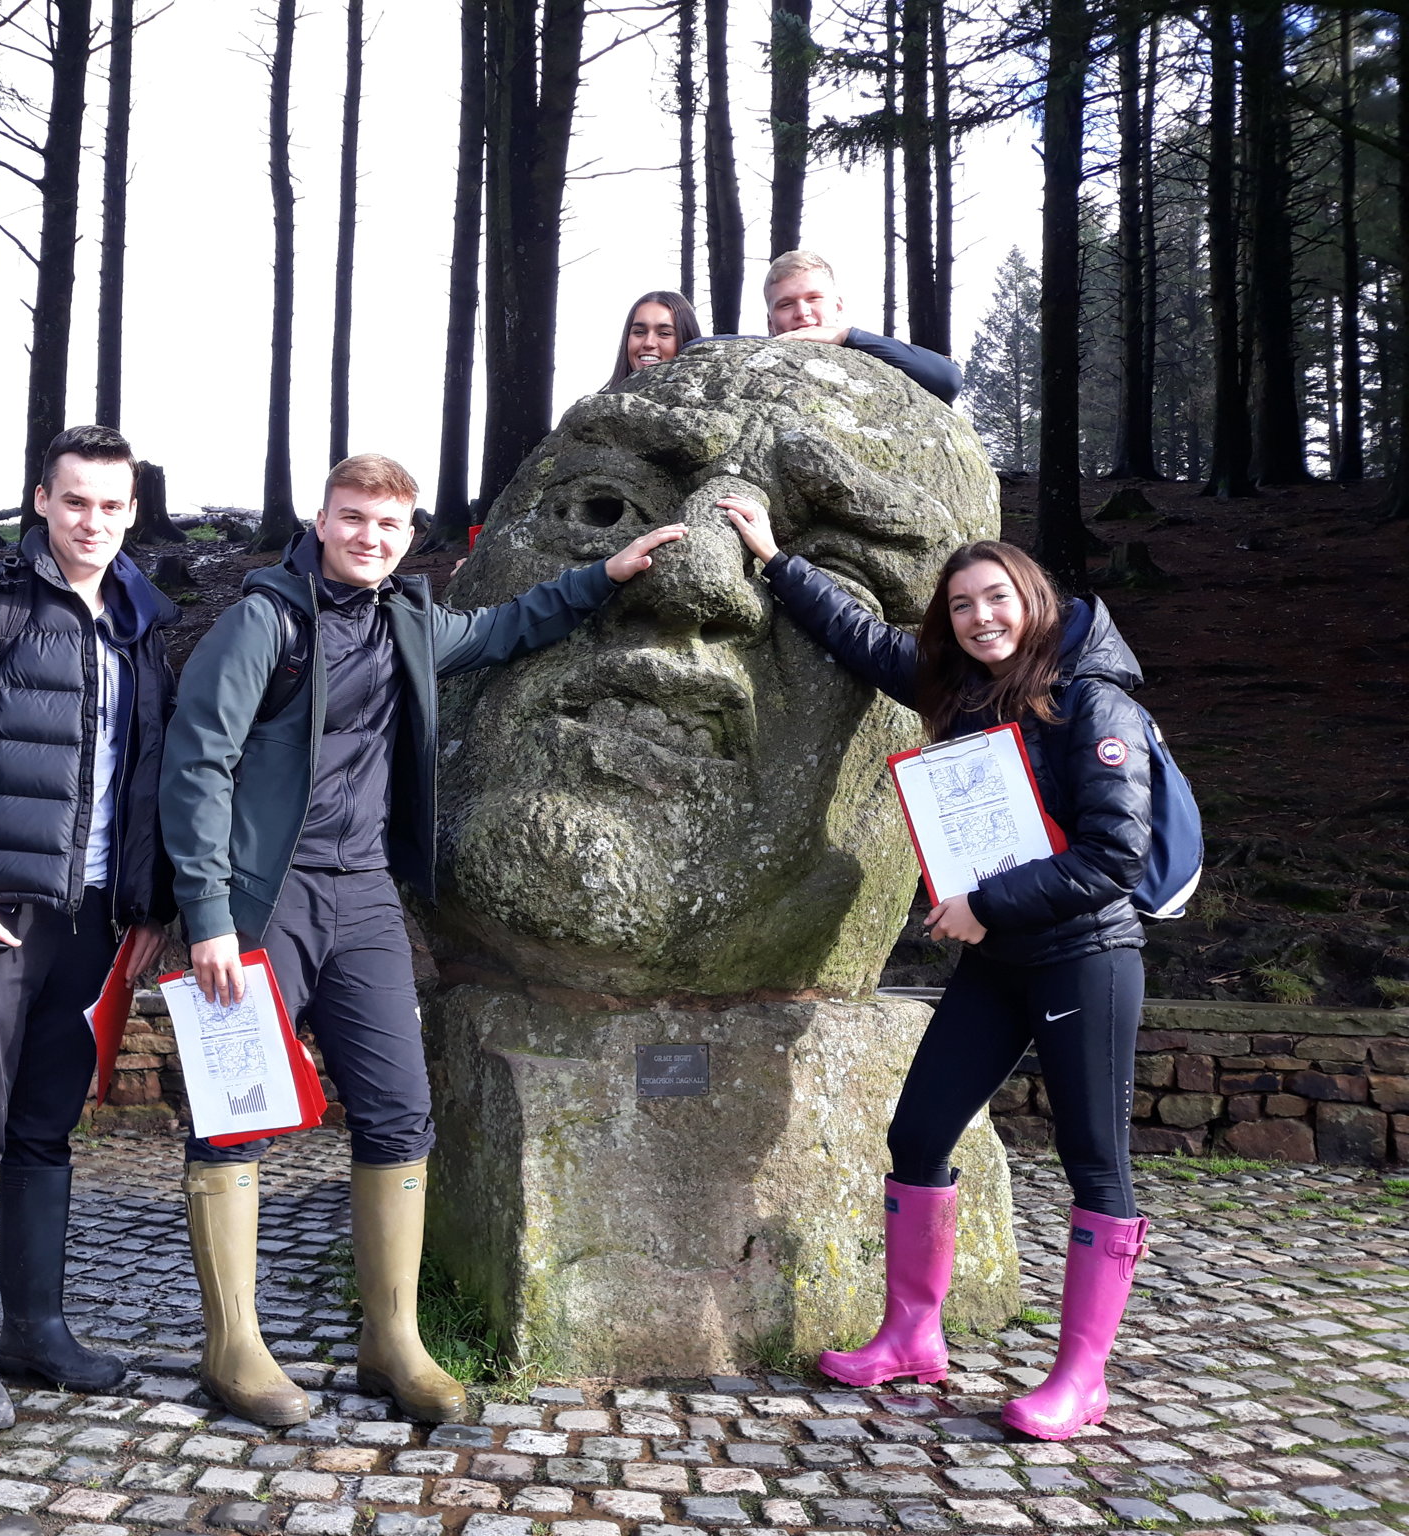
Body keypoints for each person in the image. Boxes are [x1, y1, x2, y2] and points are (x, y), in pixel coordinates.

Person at [161, 452, 684, 1427]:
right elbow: (197, 768)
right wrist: (208, 918)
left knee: (399, 1113)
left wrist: (602, 578)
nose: (368, 536)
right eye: (352, 518)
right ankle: (231, 1347)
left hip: (362, 899)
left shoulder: (404, 619)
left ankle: (390, 1340)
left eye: (388, 525)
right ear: (320, 521)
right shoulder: (260, 622)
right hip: (260, 901)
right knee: (234, 1115)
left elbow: (499, 631)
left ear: (410, 536)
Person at [722, 496, 1152, 1442]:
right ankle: (913, 1335)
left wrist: (983, 905)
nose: (980, 618)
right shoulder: (960, 693)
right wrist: (773, 558)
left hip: (1087, 957)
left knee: (1095, 1161)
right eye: (961, 606)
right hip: (999, 962)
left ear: (1032, 600)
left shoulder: (1095, 698)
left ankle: (1083, 1377)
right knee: (917, 1134)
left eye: (995, 598)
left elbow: (1115, 857)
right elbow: (863, 642)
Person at [0, 424, 176, 1432]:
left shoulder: (141, 622)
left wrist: (145, 907)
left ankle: (37, 1332)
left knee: (47, 1130)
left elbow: (148, 776)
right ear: (41, 503)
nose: (91, 521)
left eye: (111, 504)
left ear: (132, 510)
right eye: (74, 502)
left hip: (93, 918)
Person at [689, 250, 963, 404]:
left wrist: (846, 336)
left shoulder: (875, 355)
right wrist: (776, 343)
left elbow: (948, 380)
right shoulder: (757, 359)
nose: (802, 313)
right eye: (786, 305)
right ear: (770, 323)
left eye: (814, 298)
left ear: (838, 306)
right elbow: (693, 348)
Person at [605, 289, 702, 390]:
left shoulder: (713, 403)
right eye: (639, 332)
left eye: (664, 333)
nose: (648, 343)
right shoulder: (598, 404)